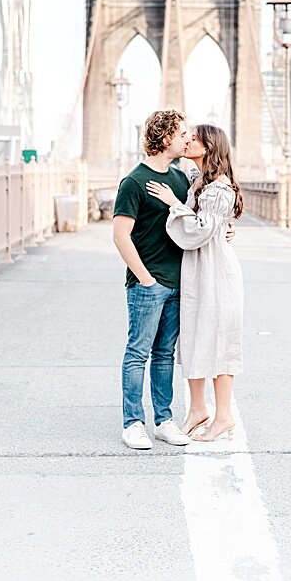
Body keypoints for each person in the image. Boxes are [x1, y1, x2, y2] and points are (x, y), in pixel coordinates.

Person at [146, 123, 245, 444]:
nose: (186, 142)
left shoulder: (219, 189)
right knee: (193, 337)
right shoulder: (197, 180)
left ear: (208, 147)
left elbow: (200, 229)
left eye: (193, 139)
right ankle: (198, 409)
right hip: (198, 270)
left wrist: (174, 204)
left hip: (215, 272)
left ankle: (224, 415)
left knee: (220, 338)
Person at [112, 109, 195, 450]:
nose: (187, 139)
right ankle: (132, 423)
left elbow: (193, 221)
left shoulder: (181, 179)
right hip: (147, 284)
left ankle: (163, 420)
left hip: (178, 281)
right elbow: (120, 235)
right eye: (182, 134)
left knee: (165, 355)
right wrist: (145, 279)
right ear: (164, 139)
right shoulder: (133, 182)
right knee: (138, 353)